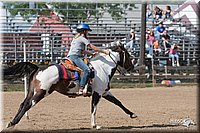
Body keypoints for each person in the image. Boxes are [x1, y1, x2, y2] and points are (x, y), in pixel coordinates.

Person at [67, 23, 109, 95]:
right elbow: (92, 47)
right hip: (75, 57)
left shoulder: (76, 38)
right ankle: (81, 87)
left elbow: (82, 51)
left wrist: (91, 54)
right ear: (84, 31)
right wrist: (104, 51)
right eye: (87, 31)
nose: (88, 32)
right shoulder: (82, 38)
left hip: (71, 56)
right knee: (87, 69)